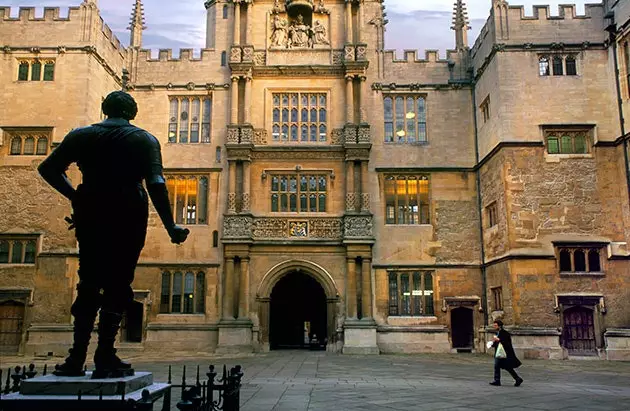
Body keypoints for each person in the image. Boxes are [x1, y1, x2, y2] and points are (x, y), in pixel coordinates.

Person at [38, 91, 189, 379]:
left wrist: (76, 197)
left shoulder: (80, 135)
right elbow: (156, 182)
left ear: (104, 109)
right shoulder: (143, 139)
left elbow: (48, 168)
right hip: (128, 210)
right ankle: (105, 354)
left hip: (91, 209)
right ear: (132, 112)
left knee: (88, 282)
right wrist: (171, 226)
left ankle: (75, 356)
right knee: (120, 283)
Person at [489, 319, 523, 387]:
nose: (494, 326)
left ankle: (498, 380)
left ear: (500, 326)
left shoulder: (505, 333)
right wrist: (491, 344)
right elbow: (497, 343)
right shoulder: (497, 333)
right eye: (494, 325)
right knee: (502, 367)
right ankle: (516, 379)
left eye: (496, 325)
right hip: (499, 353)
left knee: (503, 366)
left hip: (505, 353)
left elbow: (507, 343)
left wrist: (499, 340)